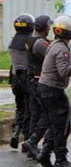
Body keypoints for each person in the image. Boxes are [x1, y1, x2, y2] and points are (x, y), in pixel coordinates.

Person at [35, 15, 71, 167]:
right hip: (52, 90)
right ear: (69, 32)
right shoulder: (61, 48)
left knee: (56, 124)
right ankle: (60, 159)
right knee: (62, 125)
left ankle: (45, 153)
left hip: (46, 88)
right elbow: (64, 71)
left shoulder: (55, 44)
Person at [22, 15, 54, 159]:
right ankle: (33, 143)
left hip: (31, 80)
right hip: (39, 81)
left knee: (34, 114)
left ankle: (30, 145)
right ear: (45, 28)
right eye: (48, 27)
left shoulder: (31, 39)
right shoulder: (41, 43)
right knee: (44, 114)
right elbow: (52, 56)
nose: (49, 29)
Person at [9, 14, 34, 149]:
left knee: (20, 108)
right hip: (27, 79)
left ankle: (16, 131)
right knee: (29, 110)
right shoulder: (31, 41)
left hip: (15, 79)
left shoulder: (12, 41)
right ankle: (27, 139)